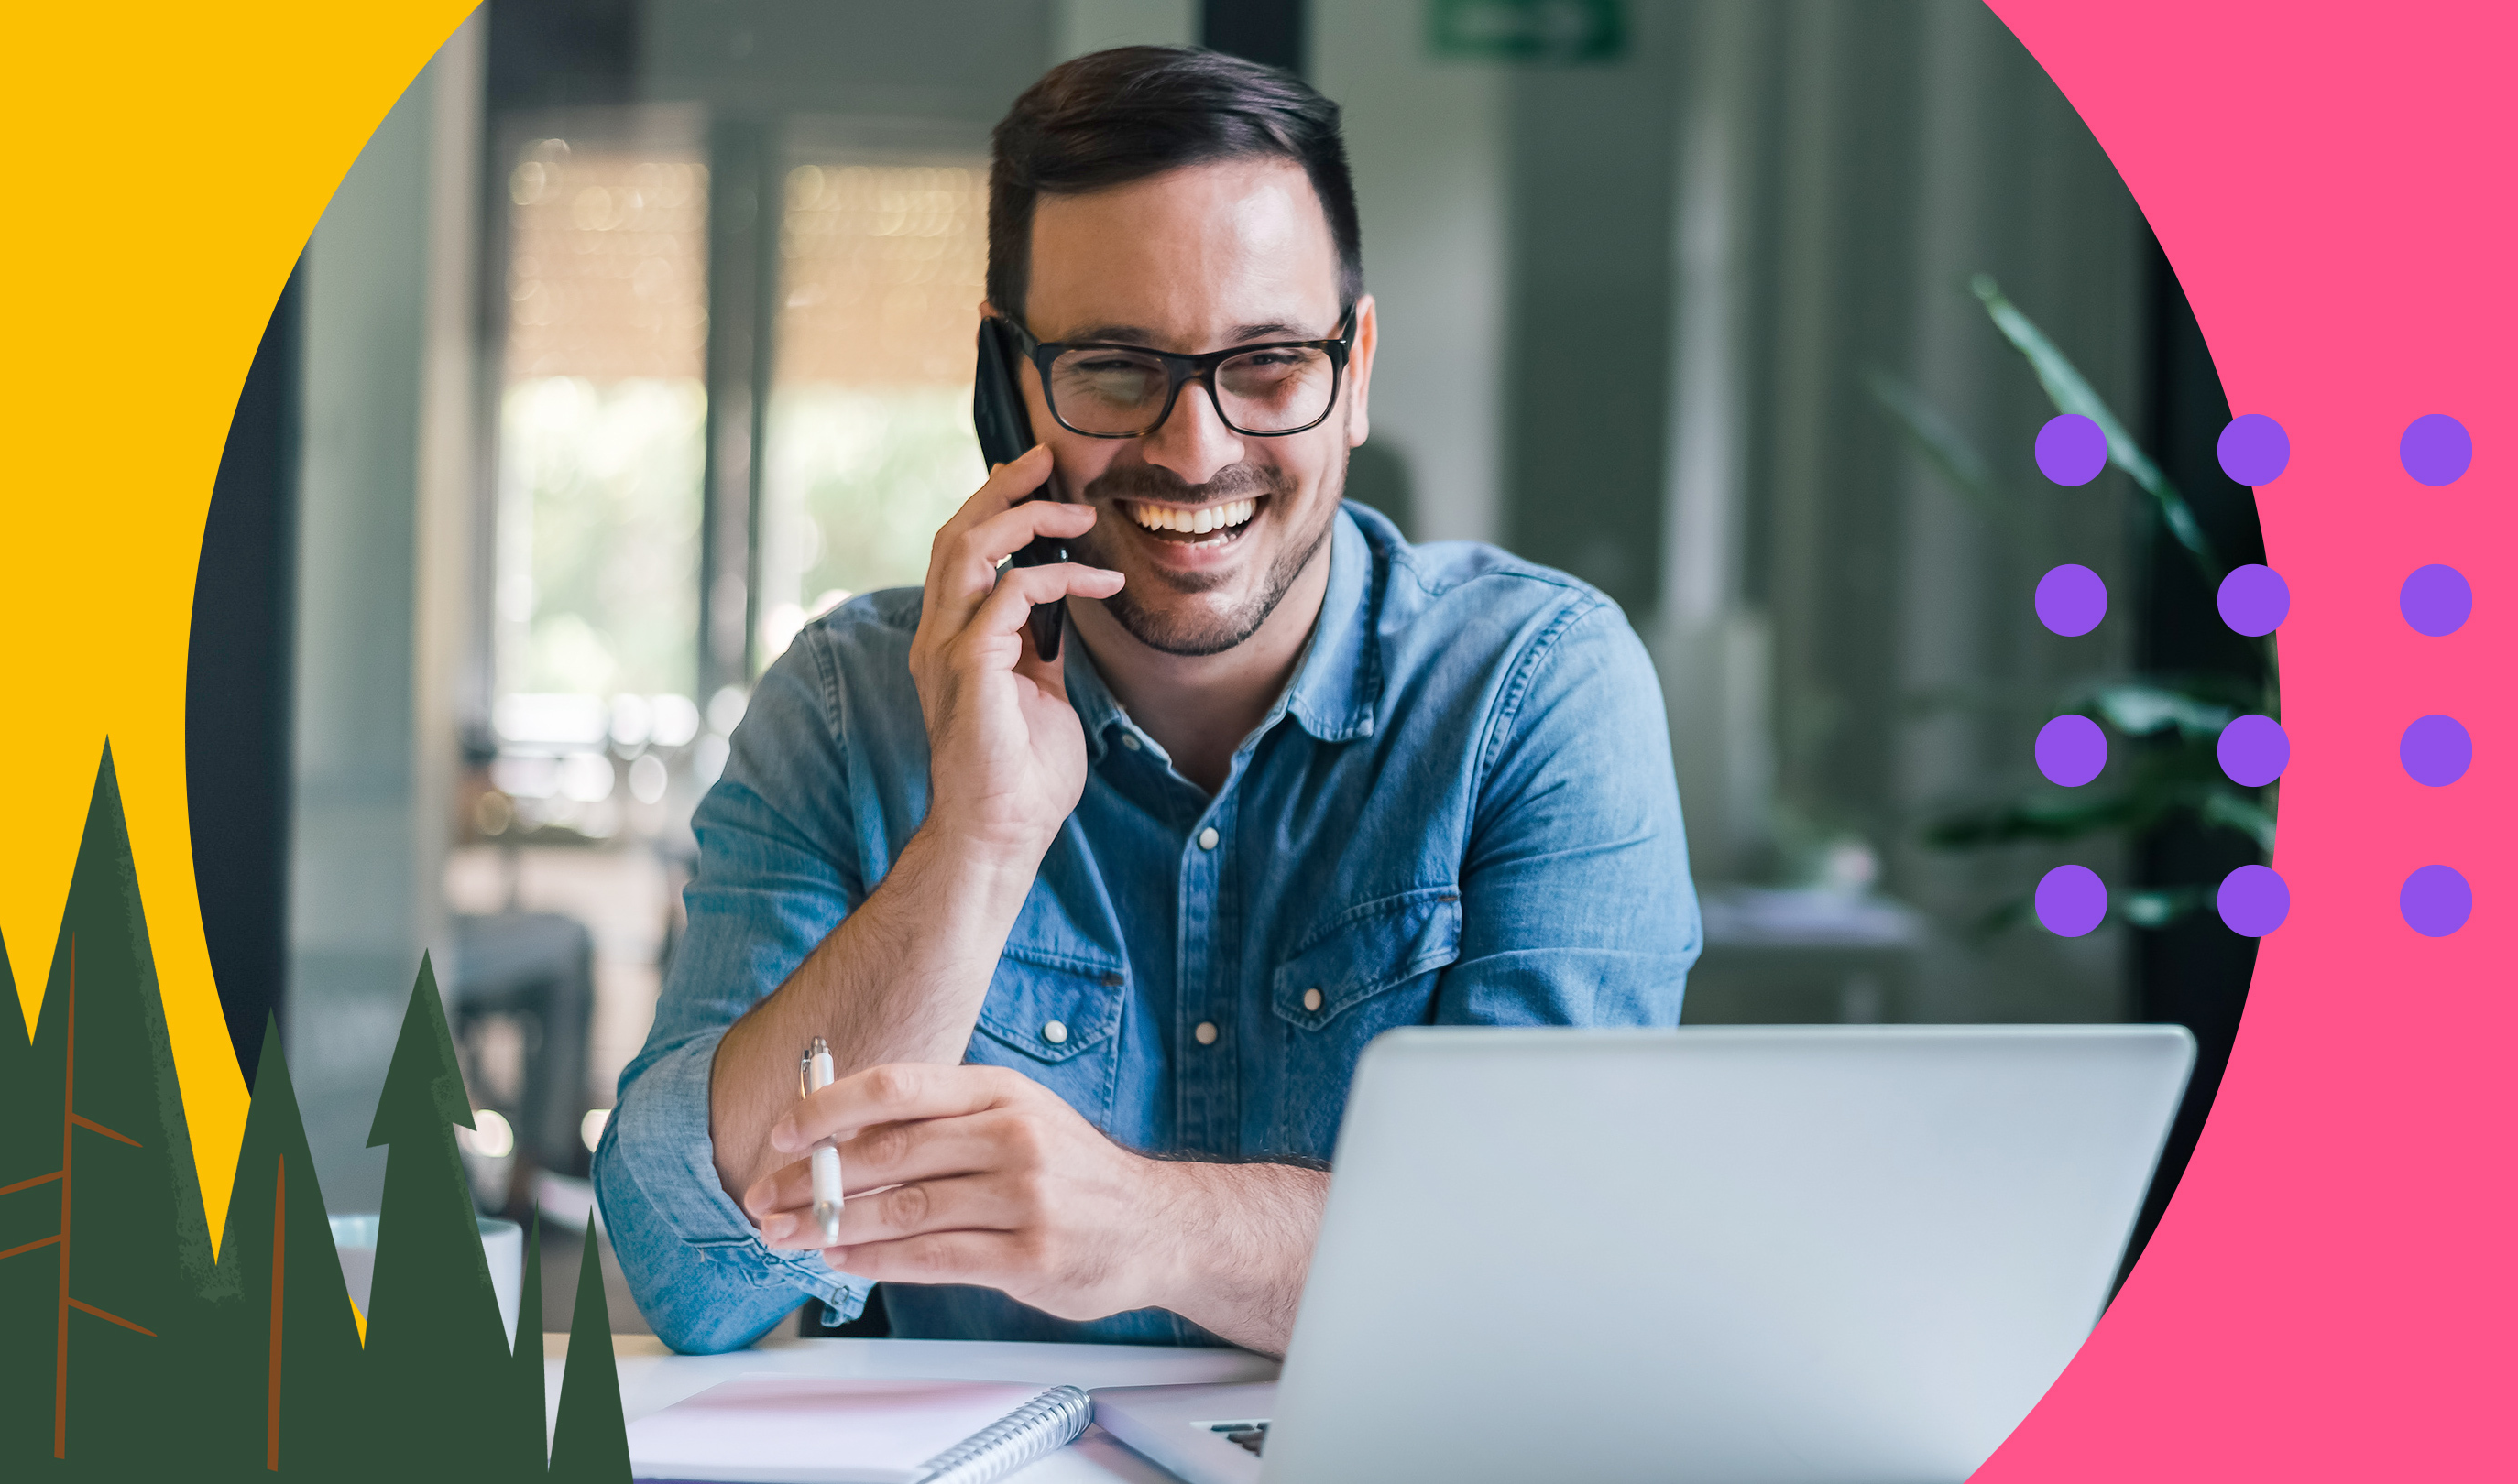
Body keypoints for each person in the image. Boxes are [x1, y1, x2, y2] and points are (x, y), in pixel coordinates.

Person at [594, 46, 1702, 1357]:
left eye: (1270, 364)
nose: (1196, 447)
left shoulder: (1536, 691)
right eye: (1117, 368)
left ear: (1356, 370)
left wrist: (1143, 1225)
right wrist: (978, 845)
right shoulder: (848, 705)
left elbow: (1556, 1270)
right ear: (1010, 385)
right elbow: (691, 1277)